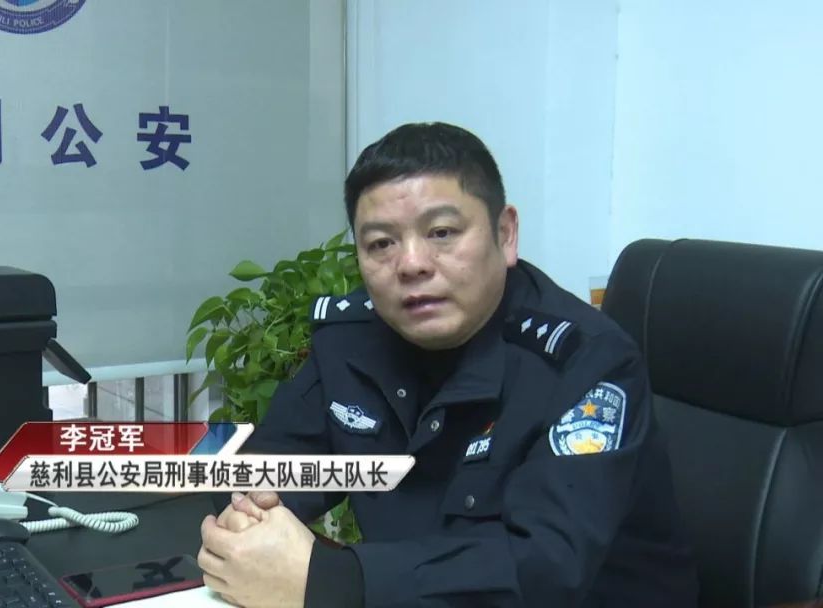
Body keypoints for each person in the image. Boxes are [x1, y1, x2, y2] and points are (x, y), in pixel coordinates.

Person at [197, 122, 699, 607]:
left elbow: (544, 567)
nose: (411, 264)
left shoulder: (586, 362)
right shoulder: (352, 340)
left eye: (441, 232)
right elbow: (265, 470)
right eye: (381, 243)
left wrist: (333, 581)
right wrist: (248, 515)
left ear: (506, 234)